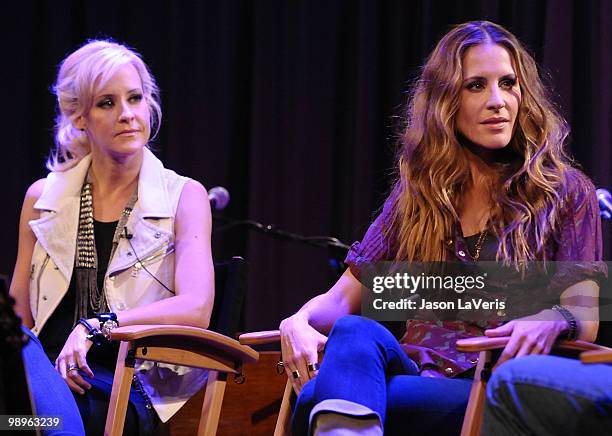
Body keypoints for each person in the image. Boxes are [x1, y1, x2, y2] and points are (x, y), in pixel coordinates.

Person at [279, 21, 606, 435]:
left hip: (492, 383)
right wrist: (298, 321)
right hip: (419, 375)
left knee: (318, 397)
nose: (497, 101)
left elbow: (585, 312)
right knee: (353, 331)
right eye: (475, 86)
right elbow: (342, 301)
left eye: (508, 84)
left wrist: (548, 318)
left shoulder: (562, 191)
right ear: (444, 101)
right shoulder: (418, 198)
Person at [9, 40, 215, 435]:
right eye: (107, 103)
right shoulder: (41, 198)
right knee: (17, 415)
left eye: (135, 98)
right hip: (42, 377)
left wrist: (95, 326)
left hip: (120, 383)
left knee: (26, 424)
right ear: (79, 116)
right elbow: (19, 319)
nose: (127, 115)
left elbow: (196, 306)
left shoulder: (183, 196)